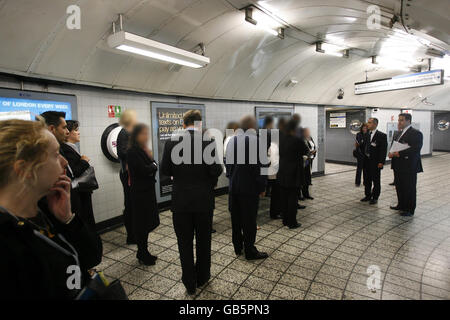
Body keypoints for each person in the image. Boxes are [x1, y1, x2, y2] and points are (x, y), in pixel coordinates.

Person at [0, 119, 102, 299]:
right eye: (55, 155)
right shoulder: (7, 240)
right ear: (25, 169)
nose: (64, 162)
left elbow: (92, 257)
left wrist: (68, 220)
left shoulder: (48, 209)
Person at [161, 110, 222, 295]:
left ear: (184, 123)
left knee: (184, 243)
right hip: (204, 201)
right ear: (199, 124)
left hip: (181, 202)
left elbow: (165, 169)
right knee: (204, 241)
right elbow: (217, 169)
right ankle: (203, 276)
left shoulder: (172, 142)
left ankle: (189, 282)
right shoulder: (207, 141)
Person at [225, 115, 268, 260]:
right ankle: (250, 250)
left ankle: (238, 247)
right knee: (249, 221)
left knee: (236, 219)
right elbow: (262, 167)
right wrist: (262, 187)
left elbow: (228, 163)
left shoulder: (231, 141)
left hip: (233, 188)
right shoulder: (257, 142)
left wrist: (231, 179)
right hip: (249, 189)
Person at [126, 124, 160, 265]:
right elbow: (144, 169)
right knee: (141, 224)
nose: (146, 137)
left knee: (146, 223)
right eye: (143, 134)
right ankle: (142, 253)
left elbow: (152, 164)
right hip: (140, 194)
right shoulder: (132, 152)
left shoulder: (142, 150)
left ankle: (144, 251)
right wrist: (153, 166)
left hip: (146, 192)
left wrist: (152, 165)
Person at [61, 120, 96, 230]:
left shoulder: (72, 148)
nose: (78, 133)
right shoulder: (66, 149)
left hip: (82, 191)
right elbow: (74, 171)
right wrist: (84, 161)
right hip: (78, 192)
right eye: (75, 130)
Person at [389, 113, 423, 217]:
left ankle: (409, 209)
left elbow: (415, 148)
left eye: (401, 120)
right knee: (399, 186)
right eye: (399, 120)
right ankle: (401, 204)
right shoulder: (399, 133)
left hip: (409, 166)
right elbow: (394, 145)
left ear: (408, 121)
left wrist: (399, 153)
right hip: (398, 165)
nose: (399, 122)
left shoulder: (416, 133)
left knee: (409, 187)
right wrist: (391, 152)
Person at [278, 119, 308, 229]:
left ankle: (285, 220)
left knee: (284, 198)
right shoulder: (297, 140)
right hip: (294, 174)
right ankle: (292, 222)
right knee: (292, 199)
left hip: (282, 172)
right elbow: (305, 151)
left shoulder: (281, 139)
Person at [116, 109, 138, 245]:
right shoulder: (124, 133)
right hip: (128, 174)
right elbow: (122, 152)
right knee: (130, 204)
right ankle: (131, 235)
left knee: (134, 204)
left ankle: (135, 232)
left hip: (134, 174)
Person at [361, 117, 388, 205]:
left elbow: (383, 150)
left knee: (376, 180)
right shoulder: (366, 135)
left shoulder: (381, 136)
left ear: (375, 124)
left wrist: (381, 162)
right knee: (367, 179)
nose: (367, 124)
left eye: (369, 123)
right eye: (368, 122)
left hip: (375, 162)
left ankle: (375, 197)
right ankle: (367, 195)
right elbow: (364, 147)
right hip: (366, 161)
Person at [269, 117, 286, 220]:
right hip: (275, 172)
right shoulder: (274, 146)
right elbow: (274, 160)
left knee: (277, 194)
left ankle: (276, 211)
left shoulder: (273, 145)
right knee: (276, 194)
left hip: (275, 172)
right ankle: (275, 213)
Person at [292, 114, 308, 207]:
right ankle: (295, 204)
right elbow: (304, 149)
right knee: (295, 186)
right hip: (295, 165)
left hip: (289, 166)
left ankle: (295, 202)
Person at [301, 127, 316, 200]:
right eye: (306, 131)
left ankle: (306, 194)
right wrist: (309, 152)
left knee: (308, 176)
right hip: (305, 160)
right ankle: (303, 194)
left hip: (310, 158)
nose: (308, 132)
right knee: (304, 177)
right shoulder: (302, 139)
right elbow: (303, 150)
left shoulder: (310, 137)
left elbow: (313, 146)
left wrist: (314, 152)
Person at [263, 116, 274, 197]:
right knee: (268, 175)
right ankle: (267, 191)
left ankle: (265, 190)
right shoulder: (268, 133)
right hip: (267, 157)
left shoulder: (260, 131)